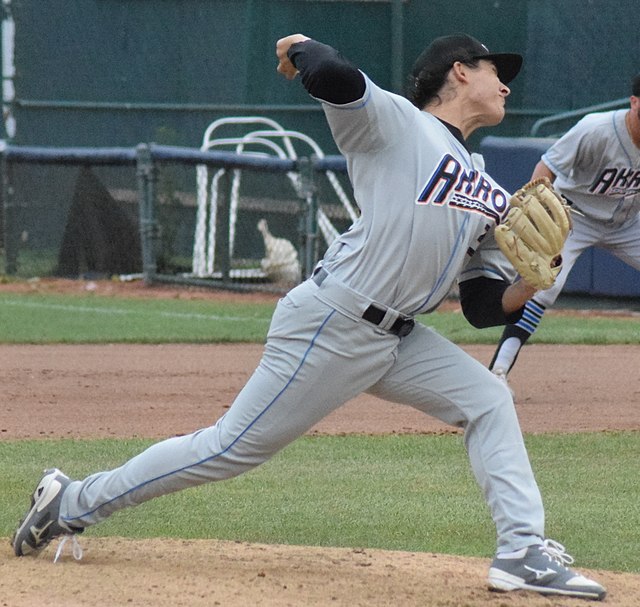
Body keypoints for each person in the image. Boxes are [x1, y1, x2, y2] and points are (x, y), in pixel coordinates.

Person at [11, 33, 606, 600]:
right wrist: (299, 47)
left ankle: (521, 550)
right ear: (460, 72)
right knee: (229, 449)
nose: (505, 87)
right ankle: (72, 501)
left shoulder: (485, 188)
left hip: (398, 338)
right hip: (335, 319)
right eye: (495, 73)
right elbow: (336, 77)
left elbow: (480, 310)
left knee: (488, 399)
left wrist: (530, 284)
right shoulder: (399, 124)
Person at [490, 72, 640, 395]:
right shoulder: (595, 130)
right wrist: (537, 208)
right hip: (575, 218)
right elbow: (547, 166)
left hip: (629, 222)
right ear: (633, 102)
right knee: (542, 286)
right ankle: (498, 371)